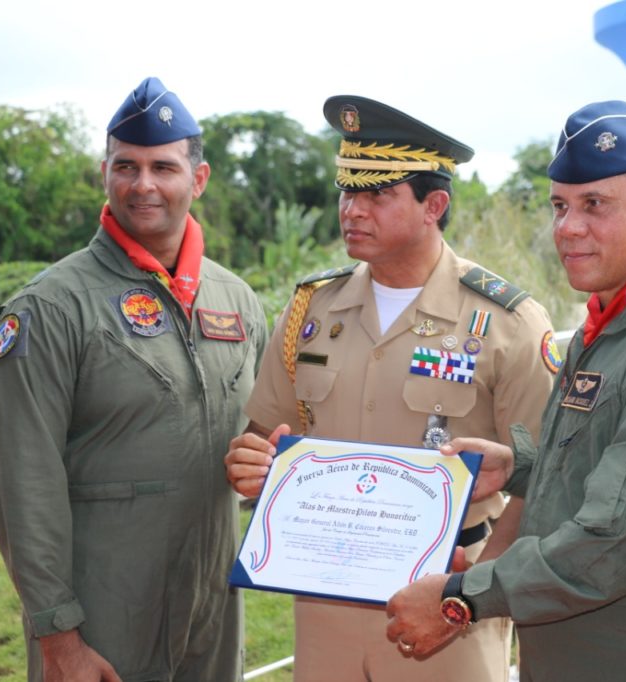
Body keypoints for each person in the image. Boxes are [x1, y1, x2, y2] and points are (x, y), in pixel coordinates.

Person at [384, 100, 626, 681]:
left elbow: (617, 544)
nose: (567, 228)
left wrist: (461, 597)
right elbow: (611, 465)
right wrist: (521, 467)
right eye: (560, 206)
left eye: (595, 205)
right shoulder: (616, 318)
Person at [224, 95, 557, 682]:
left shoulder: (508, 323)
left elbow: (548, 482)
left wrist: (471, 597)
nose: (352, 210)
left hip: (448, 598)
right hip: (324, 597)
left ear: (435, 205)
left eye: (377, 195)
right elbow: (265, 437)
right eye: (346, 192)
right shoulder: (312, 311)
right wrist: (251, 464)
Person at [0, 76, 268, 681]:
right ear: (104, 173)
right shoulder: (51, 308)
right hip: (103, 615)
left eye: (163, 167)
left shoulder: (238, 301)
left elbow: (264, 444)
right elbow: (21, 484)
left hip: (214, 608)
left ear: (199, 178)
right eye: (125, 166)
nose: (143, 185)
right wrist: (59, 635)